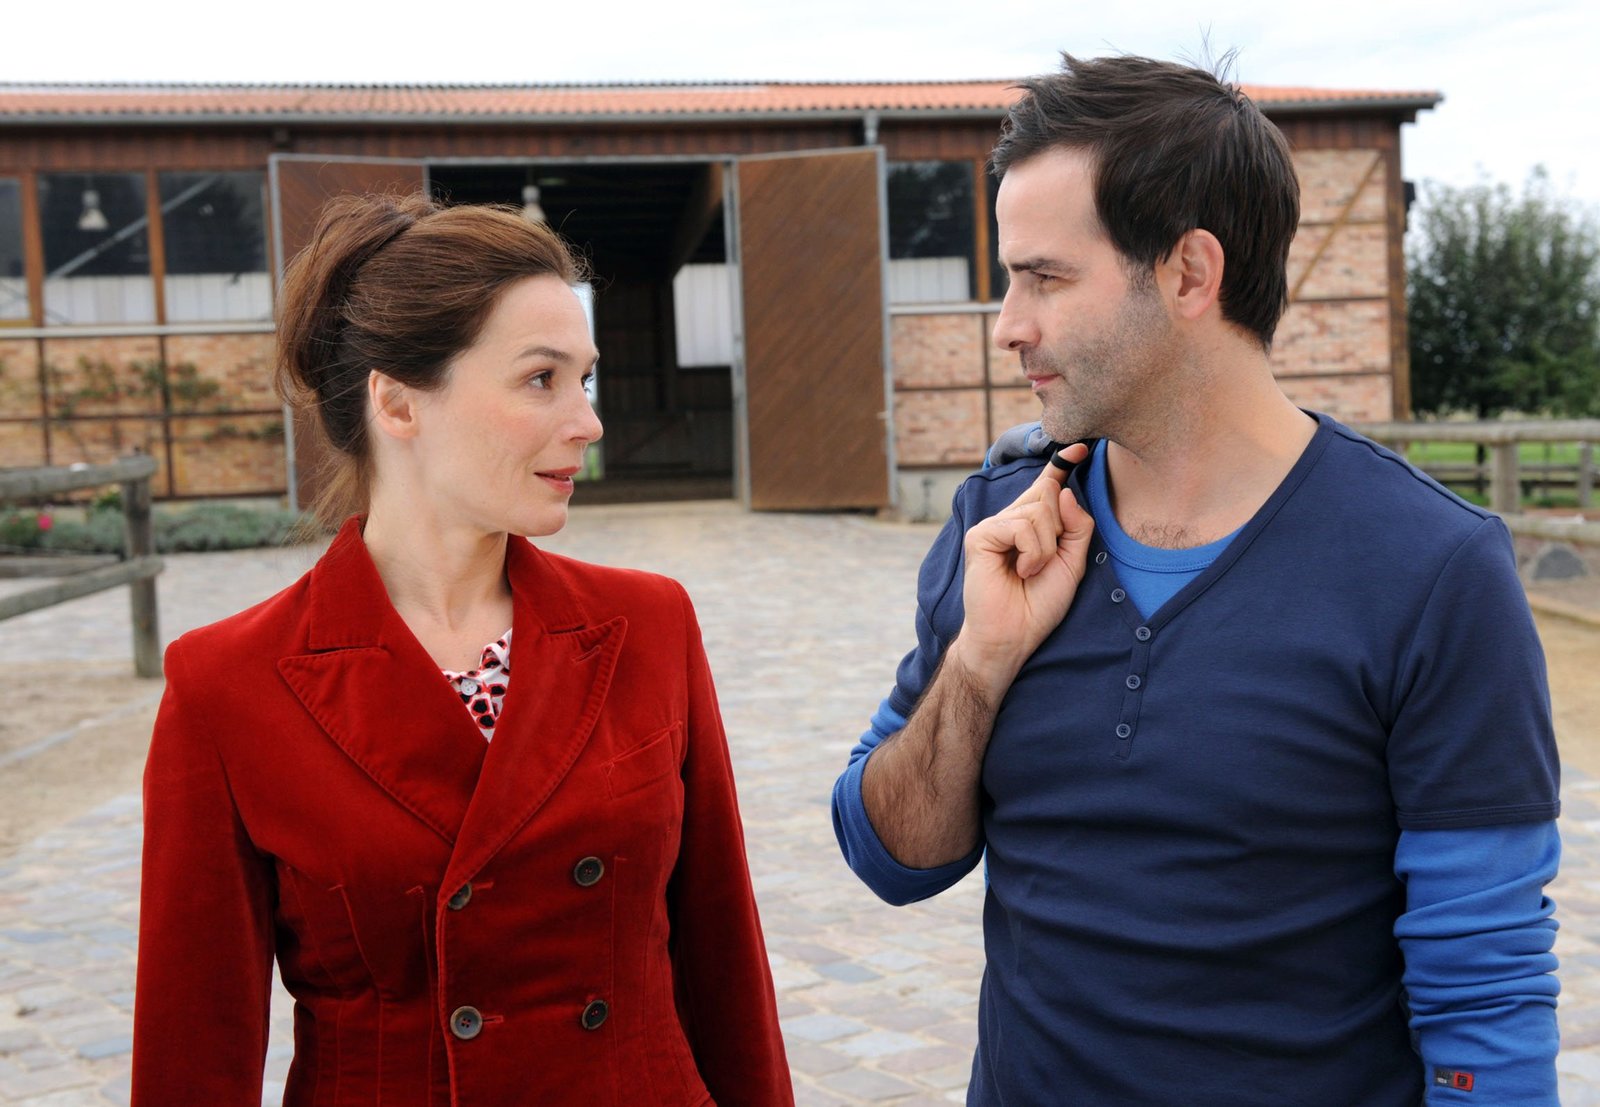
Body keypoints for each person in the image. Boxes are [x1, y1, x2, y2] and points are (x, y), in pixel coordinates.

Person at [832, 54, 1560, 1105]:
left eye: (1044, 278)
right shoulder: (1003, 519)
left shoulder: (1431, 568)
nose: (1007, 324)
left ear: (1187, 274)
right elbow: (887, 856)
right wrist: (980, 663)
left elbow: (1484, 994)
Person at [132, 192, 792, 1105]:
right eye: (541, 378)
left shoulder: (648, 624)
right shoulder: (228, 684)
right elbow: (193, 1048)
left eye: (585, 380)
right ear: (399, 402)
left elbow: (724, 964)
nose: (588, 421)